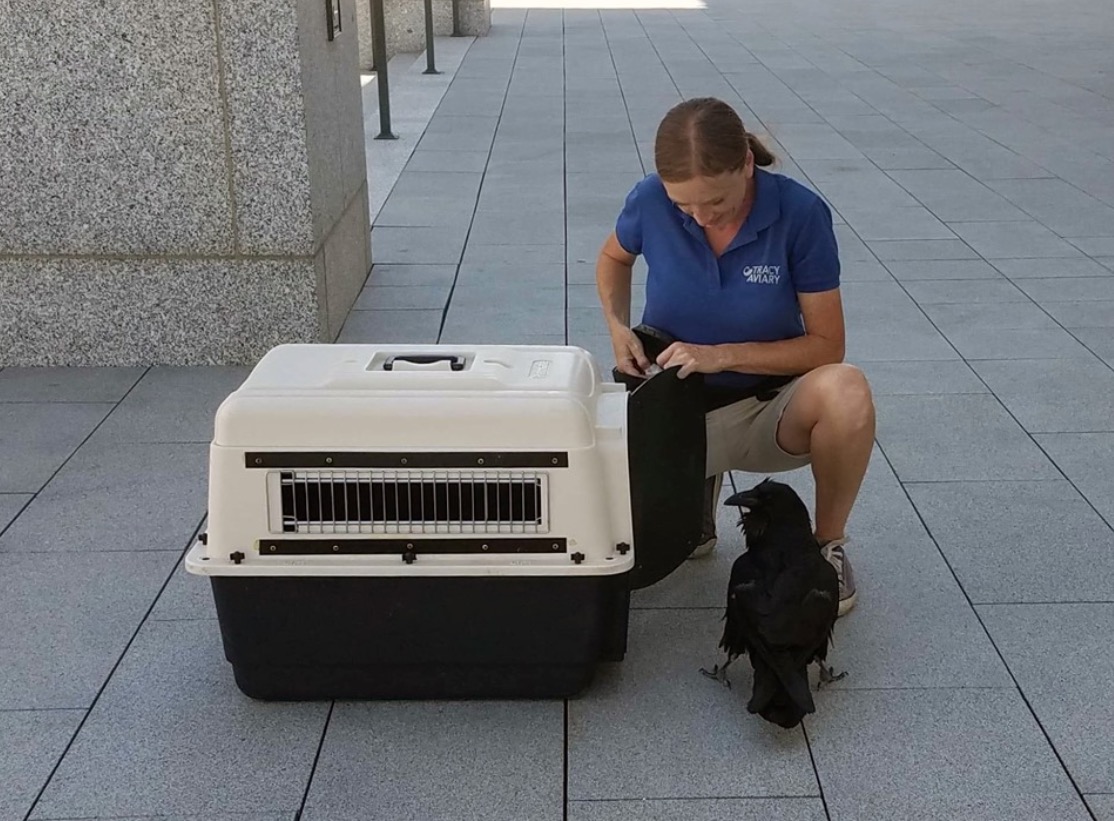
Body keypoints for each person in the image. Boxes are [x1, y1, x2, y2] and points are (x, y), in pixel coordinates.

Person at [595, 97, 875, 617]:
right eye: (685, 206)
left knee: (847, 389)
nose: (701, 217)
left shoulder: (800, 214)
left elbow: (826, 346)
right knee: (623, 540)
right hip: (672, 405)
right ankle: (692, 501)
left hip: (768, 407)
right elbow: (614, 257)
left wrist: (722, 355)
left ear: (747, 164)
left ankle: (826, 547)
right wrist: (616, 327)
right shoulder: (649, 199)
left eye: (716, 201)